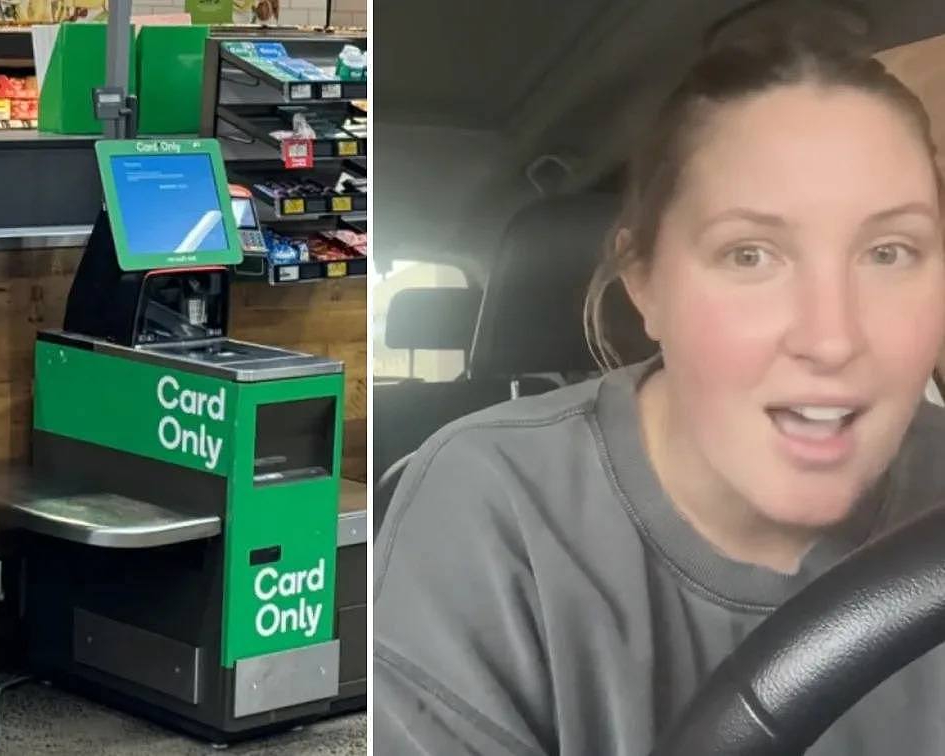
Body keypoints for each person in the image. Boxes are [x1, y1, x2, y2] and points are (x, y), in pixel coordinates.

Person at [374, 18, 945, 756]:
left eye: (890, 251)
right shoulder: (490, 504)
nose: (832, 338)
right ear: (645, 282)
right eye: (750, 254)